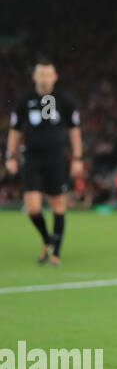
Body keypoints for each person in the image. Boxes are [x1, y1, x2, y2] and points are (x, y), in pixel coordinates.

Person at [6, 60, 83, 266]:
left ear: (55, 77)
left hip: (56, 158)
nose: (44, 78)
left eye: (48, 74)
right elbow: (15, 131)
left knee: (58, 204)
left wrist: (77, 158)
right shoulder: (24, 100)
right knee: (32, 208)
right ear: (34, 77)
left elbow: (74, 131)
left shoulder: (65, 100)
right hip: (31, 157)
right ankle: (47, 240)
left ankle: (55, 254)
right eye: (40, 74)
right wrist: (10, 156)